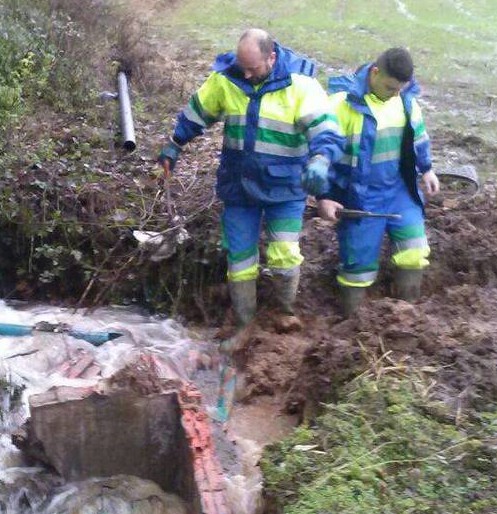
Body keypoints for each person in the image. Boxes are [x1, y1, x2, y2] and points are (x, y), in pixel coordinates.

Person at [157, 28, 340, 329]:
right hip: (238, 186)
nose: (246, 73)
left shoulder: (301, 87)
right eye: (242, 66)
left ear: (272, 57)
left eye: (253, 68)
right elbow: (197, 112)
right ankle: (245, 323)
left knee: (284, 256)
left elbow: (326, 130)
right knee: (239, 261)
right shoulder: (227, 79)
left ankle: (285, 313)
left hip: (285, 186)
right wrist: (174, 144)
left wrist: (321, 160)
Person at [301, 47, 439, 316]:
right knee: (358, 267)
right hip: (359, 197)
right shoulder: (341, 104)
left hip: (399, 190)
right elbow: (322, 150)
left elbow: (418, 138)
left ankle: (409, 318)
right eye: (390, 87)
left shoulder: (406, 102)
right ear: (374, 72)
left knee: (414, 251)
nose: (395, 93)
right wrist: (324, 196)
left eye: (400, 88)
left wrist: (427, 169)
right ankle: (353, 324)